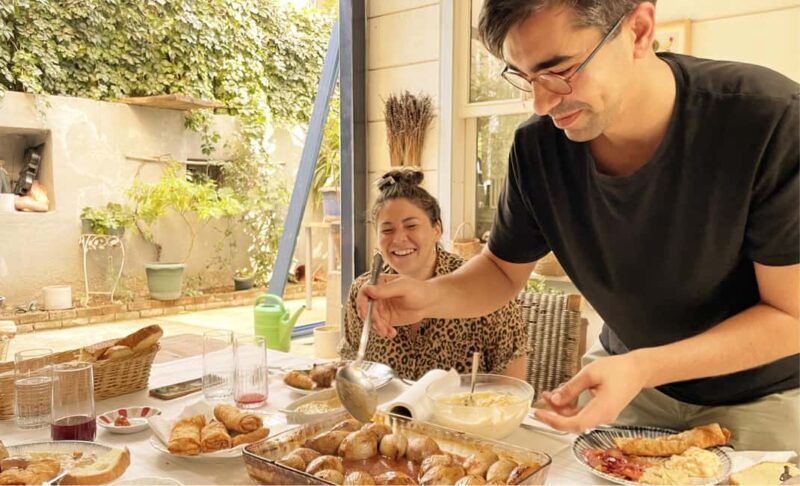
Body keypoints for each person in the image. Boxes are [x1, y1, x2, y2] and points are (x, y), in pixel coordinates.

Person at [357, 0, 799, 451]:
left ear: (639, 30)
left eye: (560, 70)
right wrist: (430, 295)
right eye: (524, 76)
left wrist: (644, 366)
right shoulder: (537, 147)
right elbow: (502, 271)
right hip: (623, 384)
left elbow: (791, 316)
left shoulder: (769, 120)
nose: (540, 102)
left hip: (761, 396)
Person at [339, 169, 528, 381]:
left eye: (411, 226)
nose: (399, 238)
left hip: (468, 404)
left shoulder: (482, 286)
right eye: (387, 230)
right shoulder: (364, 293)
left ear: (437, 229)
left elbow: (513, 382)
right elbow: (350, 366)